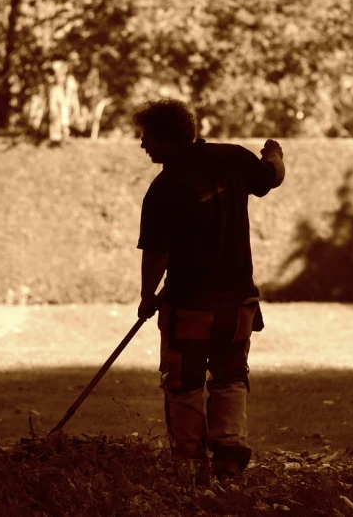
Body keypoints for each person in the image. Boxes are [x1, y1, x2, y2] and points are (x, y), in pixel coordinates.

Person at [132, 99, 285, 481]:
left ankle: (187, 462)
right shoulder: (233, 159)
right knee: (231, 376)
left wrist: (147, 296)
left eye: (147, 136)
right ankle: (229, 453)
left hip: (189, 306)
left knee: (184, 383)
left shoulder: (165, 187)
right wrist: (275, 152)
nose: (141, 143)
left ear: (166, 138)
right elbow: (273, 175)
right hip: (238, 304)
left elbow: (157, 253)